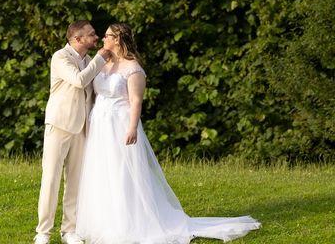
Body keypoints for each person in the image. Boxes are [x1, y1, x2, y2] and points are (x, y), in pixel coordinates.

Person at [76, 23, 261, 244]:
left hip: (120, 123)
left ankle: (130, 222)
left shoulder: (132, 67)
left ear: (117, 39)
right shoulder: (102, 63)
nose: (101, 39)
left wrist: (132, 127)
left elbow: (136, 101)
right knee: (103, 171)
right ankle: (105, 221)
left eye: (106, 36)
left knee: (122, 171)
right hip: (101, 124)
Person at [35, 20, 112, 244]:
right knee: (51, 179)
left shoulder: (88, 60)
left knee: (75, 181)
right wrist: (102, 57)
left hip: (81, 128)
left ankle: (69, 230)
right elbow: (79, 81)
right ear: (77, 39)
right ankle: (43, 232)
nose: (96, 37)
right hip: (59, 125)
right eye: (91, 34)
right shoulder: (60, 57)